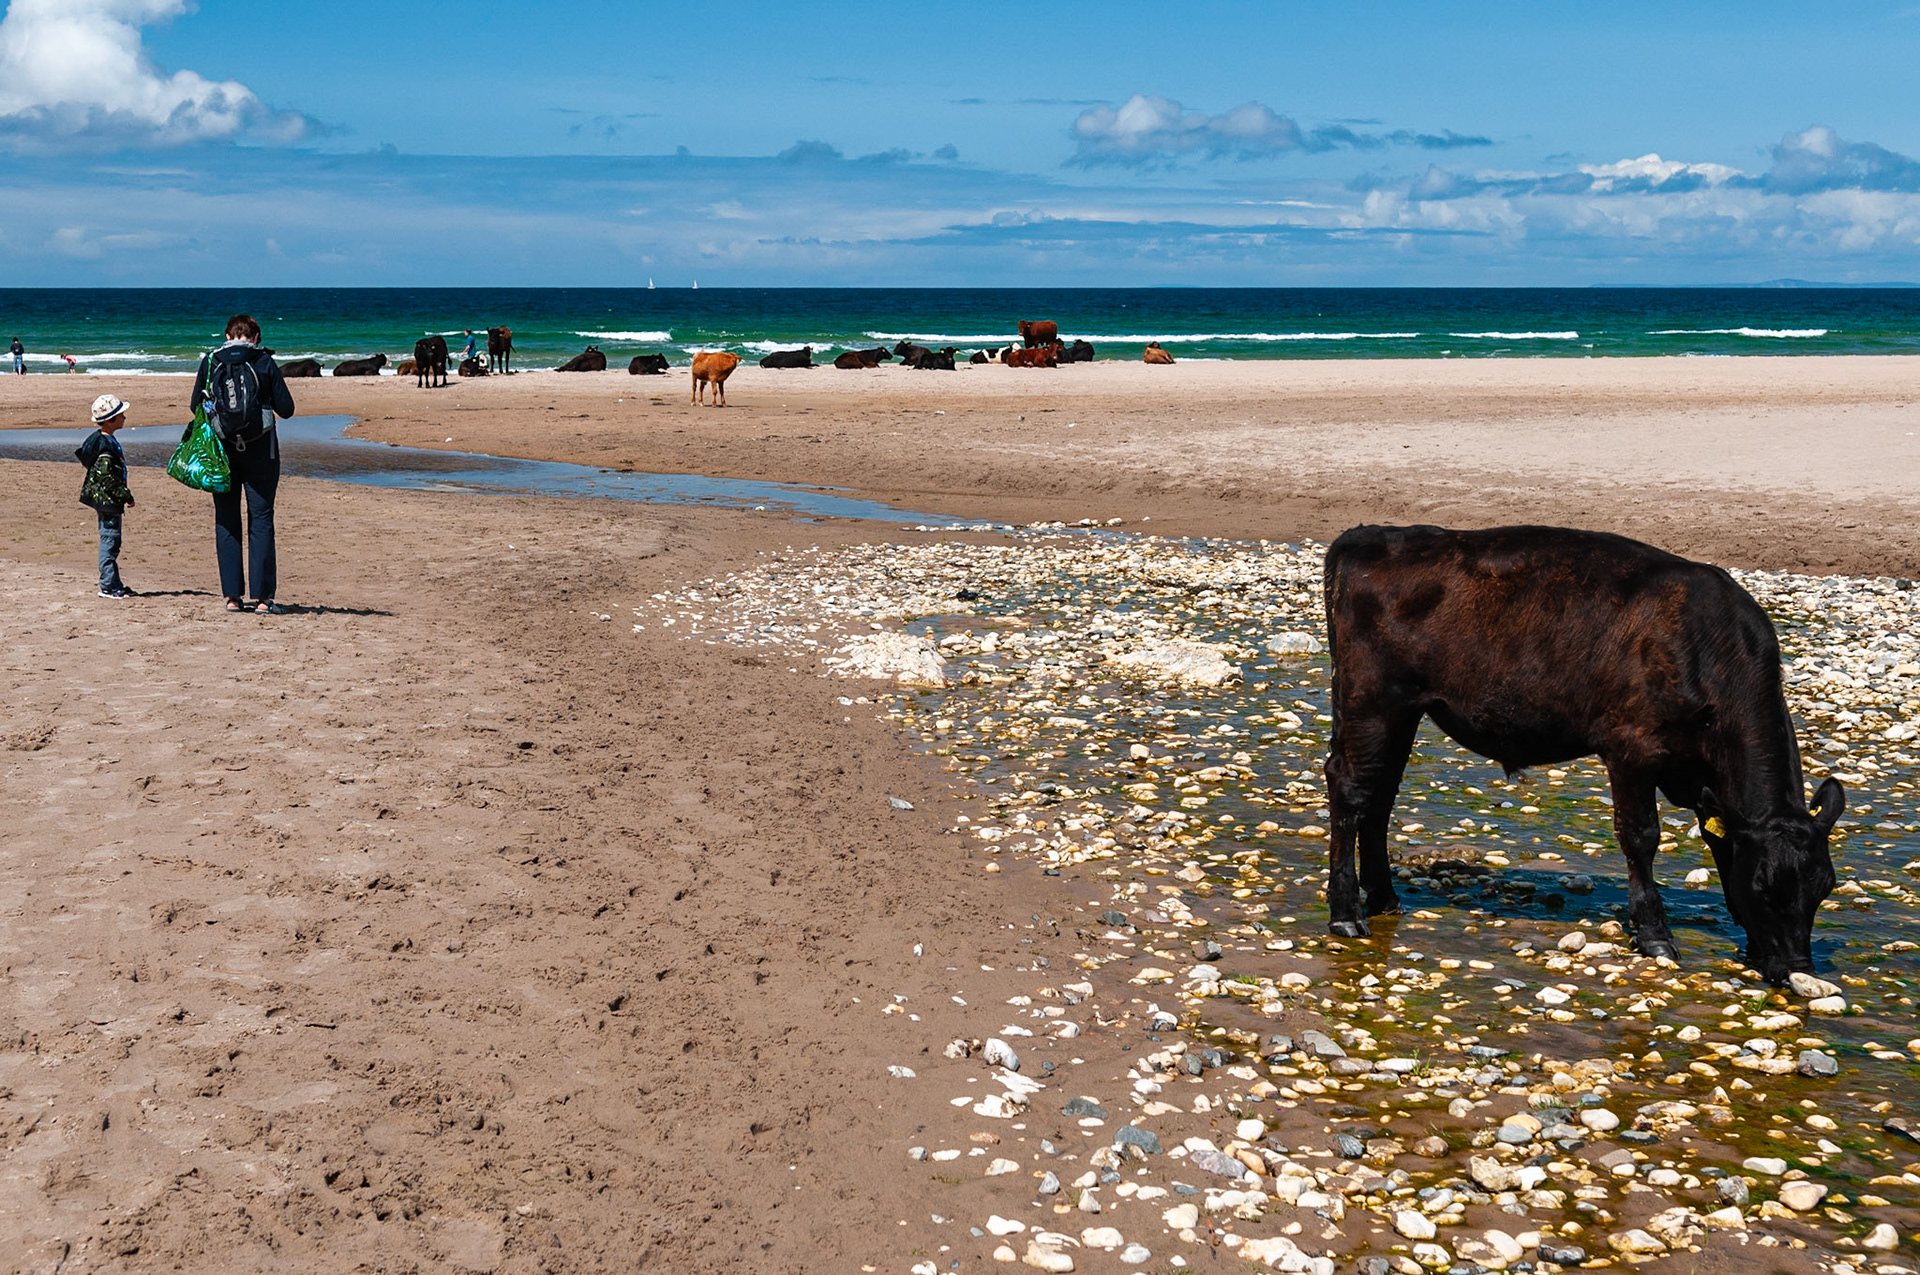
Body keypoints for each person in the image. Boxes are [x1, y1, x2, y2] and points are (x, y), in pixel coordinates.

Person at [191, 314, 296, 614]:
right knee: (261, 520)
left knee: (226, 520)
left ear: (226, 335)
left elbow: (194, 405)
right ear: (256, 337)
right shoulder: (263, 361)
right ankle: (263, 599)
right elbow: (286, 410)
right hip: (262, 450)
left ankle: (233, 597)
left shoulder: (210, 362)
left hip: (222, 451)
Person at [77, 393, 136, 598]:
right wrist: (126, 495)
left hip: (107, 501)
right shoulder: (105, 448)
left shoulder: (106, 440)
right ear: (110, 420)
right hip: (107, 502)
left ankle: (113, 582)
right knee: (110, 541)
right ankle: (108, 586)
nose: (124, 418)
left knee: (112, 541)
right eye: (121, 415)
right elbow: (106, 477)